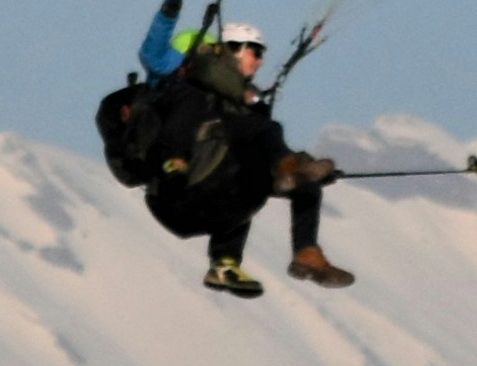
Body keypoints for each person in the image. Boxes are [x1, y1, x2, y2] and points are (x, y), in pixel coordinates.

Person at [136, 22, 348, 299]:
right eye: (255, 52)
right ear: (232, 50)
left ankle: (297, 254)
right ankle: (288, 167)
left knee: (305, 187)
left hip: (205, 203)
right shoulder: (193, 93)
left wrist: (307, 177)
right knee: (265, 131)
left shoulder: (244, 106)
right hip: (178, 191)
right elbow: (157, 62)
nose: (260, 62)